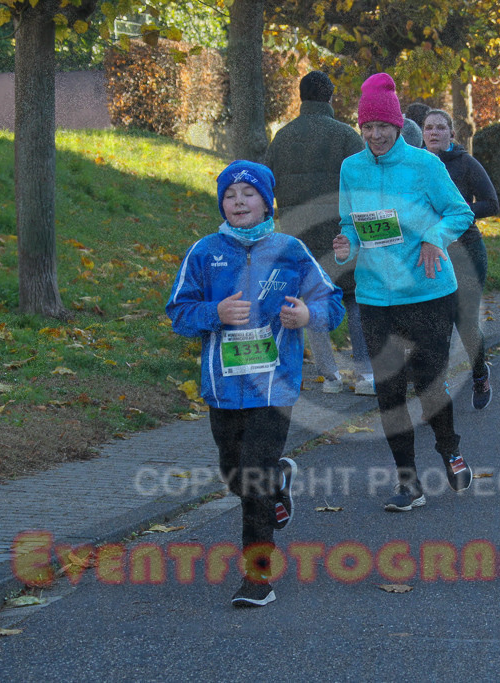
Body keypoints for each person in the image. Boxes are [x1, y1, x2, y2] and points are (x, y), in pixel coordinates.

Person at [166, 161, 346, 606]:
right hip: (223, 390)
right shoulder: (205, 252)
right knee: (235, 473)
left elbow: (332, 303)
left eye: (249, 194)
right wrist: (215, 314)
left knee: (253, 478)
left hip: (274, 388)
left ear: (267, 202)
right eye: (230, 195)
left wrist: (308, 316)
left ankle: (257, 579)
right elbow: (179, 311)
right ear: (221, 204)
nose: (239, 202)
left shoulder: (291, 250)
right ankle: (280, 482)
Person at [334, 72, 475, 511]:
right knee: (389, 391)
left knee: (430, 385)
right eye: (368, 127)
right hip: (375, 297)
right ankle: (408, 483)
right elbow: (349, 225)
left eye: (383, 127)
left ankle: (449, 448)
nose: (375, 135)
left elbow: (459, 211)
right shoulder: (351, 168)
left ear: (398, 127)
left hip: (427, 292)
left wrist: (434, 237)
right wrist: (346, 246)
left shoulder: (425, 165)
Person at [264, 71, 373, 396]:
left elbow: (266, 185)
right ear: (329, 97)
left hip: (298, 233)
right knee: (354, 299)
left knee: (312, 299)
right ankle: (366, 375)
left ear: (301, 96)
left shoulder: (282, 138)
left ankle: (330, 376)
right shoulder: (346, 136)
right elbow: (364, 181)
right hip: (342, 232)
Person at [422, 108, 500, 410]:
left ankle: (480, 372)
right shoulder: (415, 165)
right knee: (432, 322)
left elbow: (491, 203)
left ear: (451, 134)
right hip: (429, 252)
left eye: (440, 128)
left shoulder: (465, 164)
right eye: (428, 128)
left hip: (465, 250)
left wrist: (458, 210)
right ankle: (436, 388)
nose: (433, 133)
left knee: (464, 320)